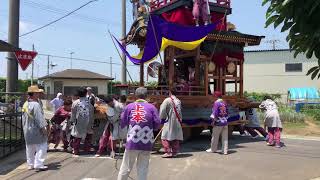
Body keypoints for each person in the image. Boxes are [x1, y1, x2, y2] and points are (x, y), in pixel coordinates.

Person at [117, 87, 161, 180]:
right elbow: (157, 124)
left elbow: (122, 123)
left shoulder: (129, 107)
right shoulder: (152, 107)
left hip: (132, 142)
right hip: (146, 142)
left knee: (126, 167)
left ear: (135, 96)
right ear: (146, 96)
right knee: (143, 168)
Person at [22, 85, 48, 171]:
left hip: (27, 129)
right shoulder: (36, 105)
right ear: (33, 94)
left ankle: (30, 164)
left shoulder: (25, 104)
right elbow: (39, 118)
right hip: (36, 129)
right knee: (42, 146)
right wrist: (43, 128)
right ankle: (39, 164)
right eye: (37, 93)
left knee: (29, 148)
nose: (38, 94)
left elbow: (23, 118)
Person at [70, 87, 95, 155]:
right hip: (88, 121)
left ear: (78, 94)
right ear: (86, 93)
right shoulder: (89, 103)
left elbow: (73, 113)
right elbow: (92, 114)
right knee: (88, 136)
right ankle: (87, 149)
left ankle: (76, 150)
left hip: (79, 122)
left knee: (77, 137)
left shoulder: (75, 103)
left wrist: (72, 121)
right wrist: (92, 122)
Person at [159, 89, 183, 158]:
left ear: (170, 93)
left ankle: (168, 152)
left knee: (165, 136)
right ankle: (175, 152)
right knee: (175, 136)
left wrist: (162, 118)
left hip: (169, 121)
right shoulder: (178, 101)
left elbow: (162, 110)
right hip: (177, 120)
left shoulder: (167, 100)